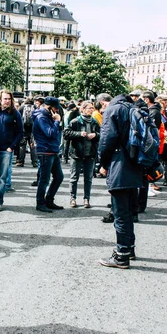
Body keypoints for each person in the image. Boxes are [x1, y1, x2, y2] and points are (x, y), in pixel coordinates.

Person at [97, 93, 144, 268]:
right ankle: (129, 249)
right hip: (135, 164)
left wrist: (103, 163)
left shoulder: (113, 110)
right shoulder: (134, 108)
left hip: (119, 164)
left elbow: (106, 140)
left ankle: (121, 255)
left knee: (120, 213)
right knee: (129, 211)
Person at [64, 101, 99, 208]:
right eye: (89, 108)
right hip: (77, 153)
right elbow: (66, 134)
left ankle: (86, 199)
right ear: (83, 109)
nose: (91, 110)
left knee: (88, 178)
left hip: (90, 153)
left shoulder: (94, 122)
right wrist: (79, 134)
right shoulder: (75, 121)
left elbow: (101, 134)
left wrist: (96, 135)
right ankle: (72, 198)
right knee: (74, 177)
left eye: (92, 108)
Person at [32, 96, 64, 213]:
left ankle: (49, 199)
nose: (57, 111)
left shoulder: (49, 115)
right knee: (44, 179)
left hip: (52, 150)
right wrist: (56, 121)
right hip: (45, 150)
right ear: (49, 107)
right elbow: (50, 133)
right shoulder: (41, 117)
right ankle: (40, 203)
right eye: (55, 108)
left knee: (59, 177)